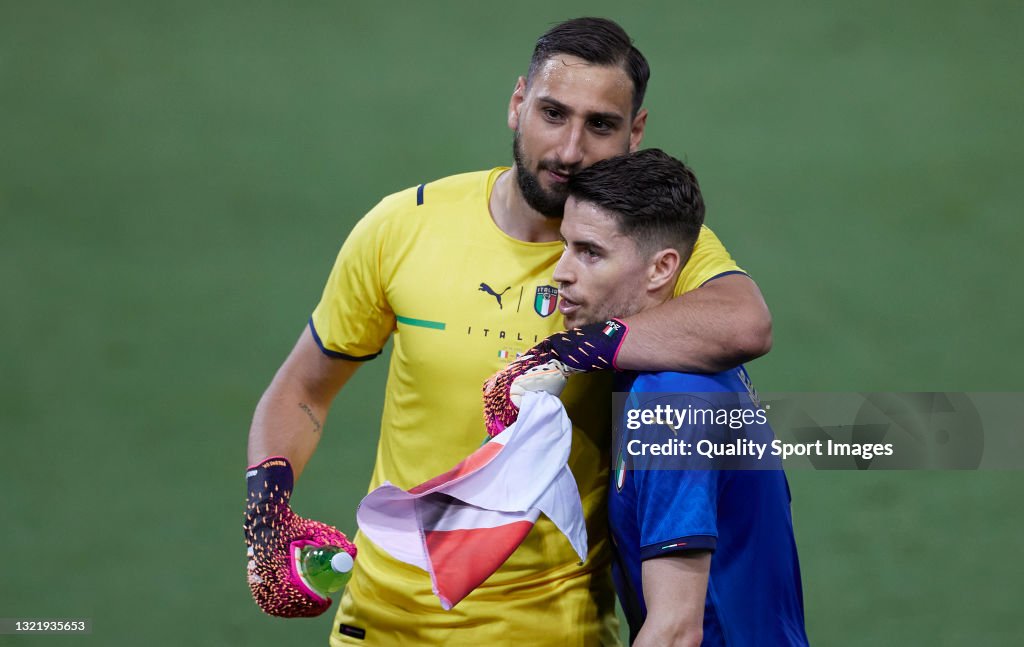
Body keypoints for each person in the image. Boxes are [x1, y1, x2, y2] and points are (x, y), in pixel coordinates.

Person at [244, 17, 773, 646]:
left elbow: (745, 320)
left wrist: (573, 350)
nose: (570, 150)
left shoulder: (645, 247)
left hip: (553, 631)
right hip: (378, 625)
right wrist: (267, 515)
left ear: (635, 133)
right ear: (518, 104)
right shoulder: (404, 226)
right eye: (553, 113)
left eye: (600, 125)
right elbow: (304, 386)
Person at [547, 148, 808, 646]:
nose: (562, 271)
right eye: (565, 246)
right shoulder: (670, 372)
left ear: (661, 269)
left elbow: (674, 632)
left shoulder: (671, 398)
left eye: (590, 252)